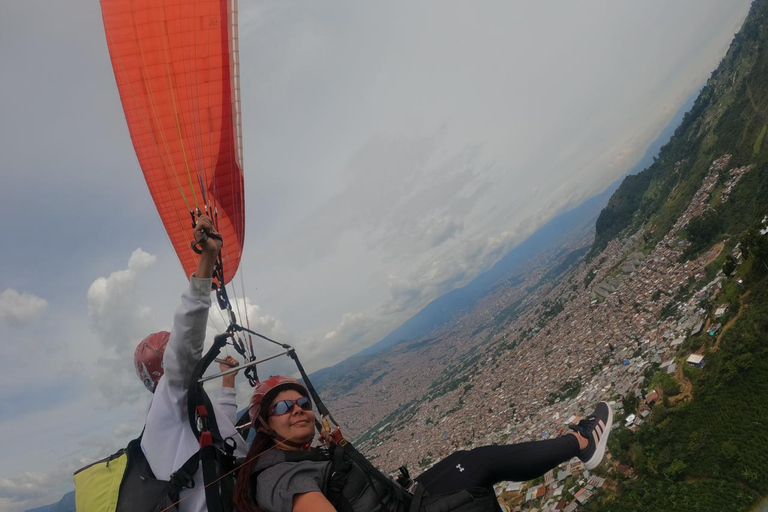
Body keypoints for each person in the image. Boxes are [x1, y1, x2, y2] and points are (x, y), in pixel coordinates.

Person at [231, 377, 612, 512]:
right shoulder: (278, 476)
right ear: (264, 422)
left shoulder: (298, 455)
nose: (298, 410)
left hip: (401, 500)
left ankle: (577, 441)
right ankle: (581, 441)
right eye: (284, 406)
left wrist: (340, 450)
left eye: (303, 403)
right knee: (481, 465)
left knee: (465, 458)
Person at [140, 216, 249, 512]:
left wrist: (227, 384)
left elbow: (218, 430)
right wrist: (207, 262)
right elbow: (184, 351)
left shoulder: (177, 412)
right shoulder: (170, 395)